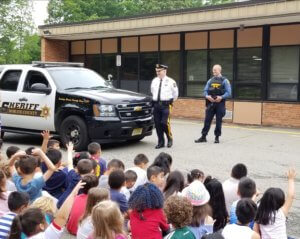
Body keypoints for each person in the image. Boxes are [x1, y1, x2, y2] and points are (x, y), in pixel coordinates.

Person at [8, 180, 85, 239]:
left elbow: (62, 217)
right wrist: (73, 193)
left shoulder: (17, 234)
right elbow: (62, 217)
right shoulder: (44, 236)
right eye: (45, 220)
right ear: (41, 226)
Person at [254, 168, 296, 239]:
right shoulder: (282, 212)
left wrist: (255, 194)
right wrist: (291, 179)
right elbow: (291, 196)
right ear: (281, 202)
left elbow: (256, 231)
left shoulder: (260, 211)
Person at [195, 64, 231, 144]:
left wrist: (221, 97)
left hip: (220, 104)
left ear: (219, 70)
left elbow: (229, 93)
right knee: (207, 120)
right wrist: (207, 96)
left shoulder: (225, 80)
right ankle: (203, 137)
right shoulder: (210, 80)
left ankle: (217, 137)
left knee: (218, 121)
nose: (213, 71)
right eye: (213, 70)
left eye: (215, 70)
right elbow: (205, 91)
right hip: (210, 103)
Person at [151, 64, 178, 149]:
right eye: (156, 71)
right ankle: (161, 142)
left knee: (164, 123)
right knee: (158, 124)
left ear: (164, 71)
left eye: (159, 71)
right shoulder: (154, 81)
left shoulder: (171, 81)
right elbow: (153, 92)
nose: (157, 73)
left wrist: (170, 101)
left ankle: (169, 138)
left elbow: (175, 94)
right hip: (156, 105)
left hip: (166, 105)